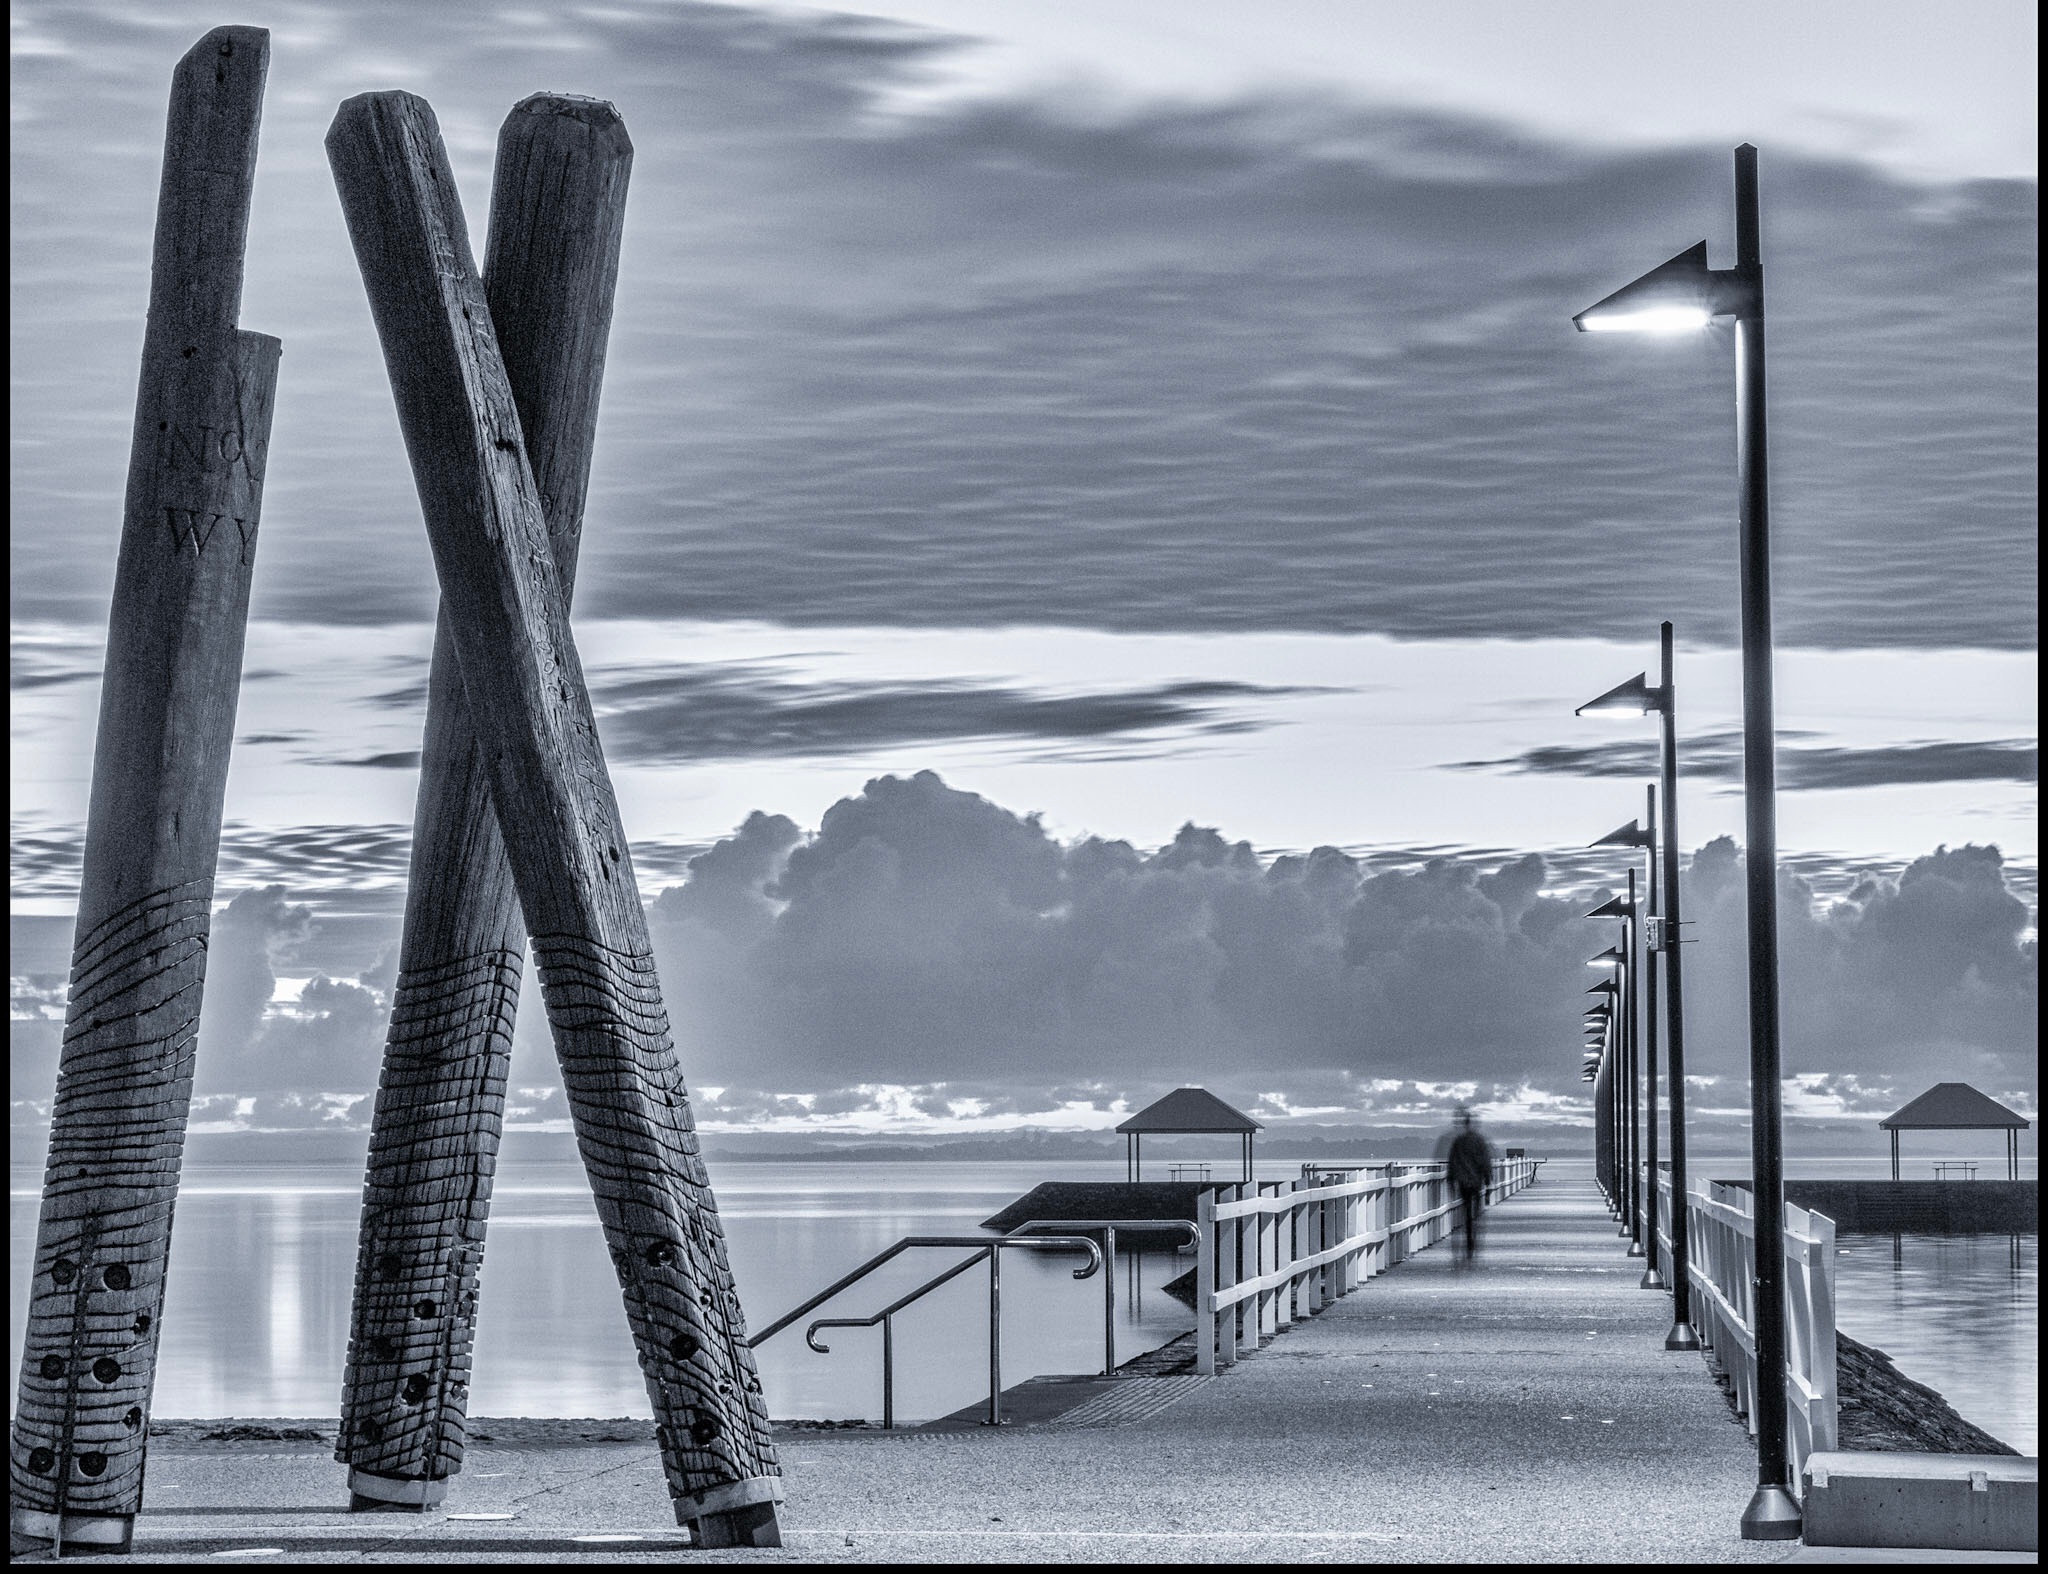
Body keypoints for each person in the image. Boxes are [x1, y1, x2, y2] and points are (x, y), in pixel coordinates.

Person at [1443, 1107, 1494, 1262]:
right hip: (1476, 1182)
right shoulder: (1479, 1141)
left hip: (1463, 1182)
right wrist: (1488, 1183)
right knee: (1476, 1212)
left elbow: (1452, 1162)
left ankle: (1468, 1236)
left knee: (1466, 1212)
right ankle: (1472, 1239)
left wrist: (1451, 1181)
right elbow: (1485, 1163)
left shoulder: (1458, 1142)